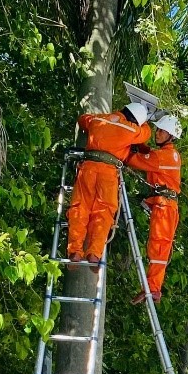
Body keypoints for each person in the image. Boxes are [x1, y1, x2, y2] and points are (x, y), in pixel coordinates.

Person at [68, 103, 152, 268]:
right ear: (136, 120)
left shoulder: (98, 119)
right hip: (108, 172)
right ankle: (94, 253)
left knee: (80, 207)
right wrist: (147, 121)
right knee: (104, 212)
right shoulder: (132, 129)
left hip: (88, 168)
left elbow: (83, 119)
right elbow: (146, 134)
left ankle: (75, 251)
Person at [125, 115, 183, 304]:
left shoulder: (164, 156)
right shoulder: (167, 154)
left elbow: (136, 161)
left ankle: (153, 288)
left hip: (165, 206)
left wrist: (121, 144)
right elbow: (149, 156)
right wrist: (141, 147)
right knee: (157, 246)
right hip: (165, 205)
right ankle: (152, 287)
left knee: (158, 247)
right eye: (157, 130)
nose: (157, 133)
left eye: (162, 131)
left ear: (171, 136)